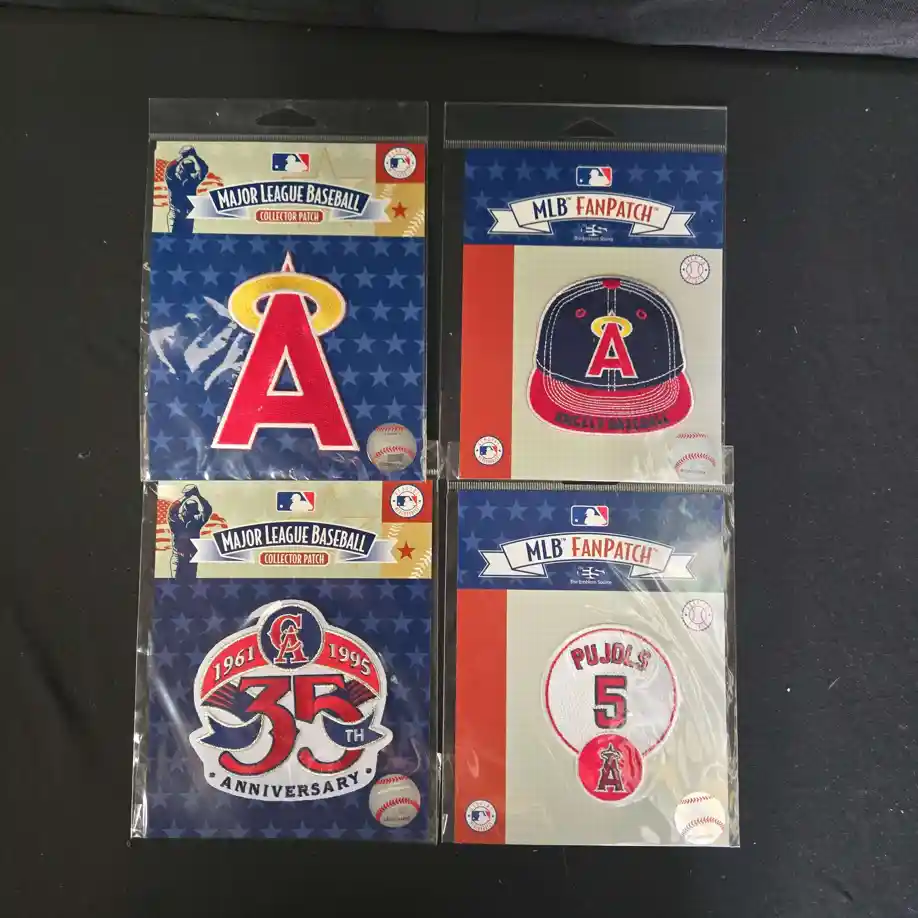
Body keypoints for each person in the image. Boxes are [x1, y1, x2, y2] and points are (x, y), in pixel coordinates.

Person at [168, 485, 213, 581]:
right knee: (176, 584)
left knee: (190, 584)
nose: (194, 514)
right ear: (185, 511)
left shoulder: (196, 521)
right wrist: (187, 496)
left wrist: (197, 496)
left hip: (191, 557)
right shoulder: (177, 521)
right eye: (192, 512)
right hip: (179, 558)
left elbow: (207, 510)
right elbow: (172, 510)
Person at [165, 146, 209, 235]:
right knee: (173, 239)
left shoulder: (192, 181)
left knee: (186, 240)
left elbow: (204, 169)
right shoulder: (172, 180)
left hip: (187, 216)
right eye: (182, 167)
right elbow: (169, 168)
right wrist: (182, 157)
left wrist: (195, 156)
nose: (182, 170)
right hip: (175, 215)